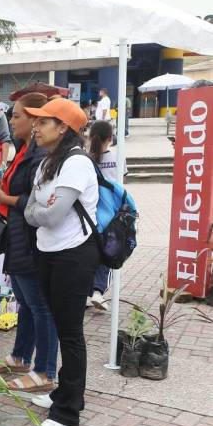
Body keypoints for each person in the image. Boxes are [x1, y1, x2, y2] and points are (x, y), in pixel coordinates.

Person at [22, 98, 100, 426]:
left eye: (43, 122)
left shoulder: (77, 163)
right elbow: (30, 210)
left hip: (74, 254)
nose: (35, 127)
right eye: (35, 121)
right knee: (59, 322)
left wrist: (43, 212)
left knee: (70, 333)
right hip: (49, 251)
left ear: (63, 127)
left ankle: (67, 413)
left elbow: (49, 214)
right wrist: (44, 212)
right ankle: (64, 392)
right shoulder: (47, 163)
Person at [0, 93, 58, 392]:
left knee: (39, 306)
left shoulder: (41, 155)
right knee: (26, 303)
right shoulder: (25, 150)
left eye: (17, 116)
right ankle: (20, 357)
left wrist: (7, 198)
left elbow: (40, 201)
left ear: (34, 120)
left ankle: (44, 371)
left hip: (29, 238)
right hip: (18, 233)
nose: (11, 120)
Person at [86, 120, 118, 310]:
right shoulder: (117, 156)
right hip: (111, 214)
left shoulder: (85, 158)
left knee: (89, 253)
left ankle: (86, 292)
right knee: (108, 253)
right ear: (110, 138)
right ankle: (97, 290)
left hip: (89, 213)